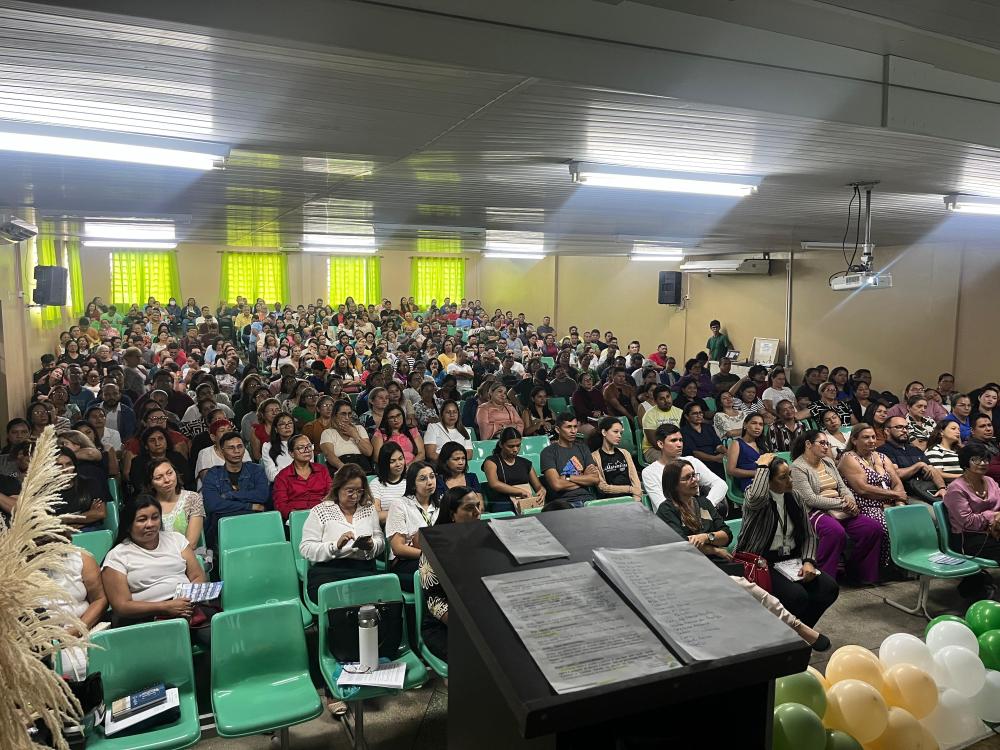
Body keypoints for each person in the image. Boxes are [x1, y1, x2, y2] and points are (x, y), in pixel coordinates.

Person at [656, 459, 830, 651]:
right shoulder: (667, 509)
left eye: (694, 475)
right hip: (697, 569)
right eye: (687, 478)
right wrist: (714, 548)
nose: (695, 480)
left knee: (828, 588)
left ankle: (797, 635)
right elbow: (682, 544)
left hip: (724, 564)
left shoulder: (703, 503)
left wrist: (706, 537)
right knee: (774, 595)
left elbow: (726, 536)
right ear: (673, 484)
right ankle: (798, 632)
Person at [736, 457, 839, 627]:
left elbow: (809, 535)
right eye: (783, 477)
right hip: (763, 561)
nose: (790, 481)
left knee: (828, 588)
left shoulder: (795, 497)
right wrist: (762, 467)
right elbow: (756, 498)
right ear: (767, 480)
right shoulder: (754, 496)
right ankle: (792, 634)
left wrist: (808, 562)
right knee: (796, 597)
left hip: (791, 559)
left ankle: (802, 632)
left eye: (790, 475)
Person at [101, 495, 208, 633]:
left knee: (221, 636)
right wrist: (165, 607)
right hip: (146, 618)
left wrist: (185, 602)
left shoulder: (176, 539)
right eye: (142, 519)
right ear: (128, 524)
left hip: (186, 608)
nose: (150, 524)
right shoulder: (118, 555)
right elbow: (121, 606)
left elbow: (198, 576)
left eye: (155, 517)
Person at [791, 431, 881, 584]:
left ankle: (857, 573)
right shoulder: (798, 467)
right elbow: (810, 499)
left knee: (872, 528)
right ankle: (824, 580)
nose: (826, 447)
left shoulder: (828, 462)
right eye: (822, 443)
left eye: (828, 443)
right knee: (834, 532)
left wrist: (850, 500)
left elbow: (842, 487)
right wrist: (843, 504)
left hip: (839, 508)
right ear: (808, 444)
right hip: (813, 511)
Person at [299, 464, 384, 601]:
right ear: (338, 488)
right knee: (339, 600)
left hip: (363, 569)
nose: (355, 496)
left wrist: (372, 545)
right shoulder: (320, 511)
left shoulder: (368, 509)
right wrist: (335, 545)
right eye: (350, 491)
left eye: (359, 491)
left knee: (379, 597)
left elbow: (380, 540)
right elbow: (306, 549)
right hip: (329, 570)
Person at [418, 487, 484, 661]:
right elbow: (435, 602)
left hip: (480, 616)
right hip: (445, 624)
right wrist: (473, 630)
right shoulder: (433, 549)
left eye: (478, 506)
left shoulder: (484, 540)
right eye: (470, 508)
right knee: (475, 659)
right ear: (452, 514)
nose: (477, 513)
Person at [838, 424, 908, 571]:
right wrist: (895, 495)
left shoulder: (882, 457)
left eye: (873, 437)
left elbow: (896, 482)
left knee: (907, 522)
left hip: (890, 504)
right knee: (886, 526)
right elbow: (862, 489)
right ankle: (885, 568)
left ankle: (904, 566)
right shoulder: (849, 458)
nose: (871, 440)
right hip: (865, 506)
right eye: (866, 437)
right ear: (854, 440)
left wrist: (899, 505)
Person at [943, 444, 1000, 598]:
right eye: (976, 459)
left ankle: (975, 584)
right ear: (965, 463)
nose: (983, 463)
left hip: (992, 531)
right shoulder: (956, 488)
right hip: (967, 538)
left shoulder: (990, 481)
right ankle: (973, 586)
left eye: (986, 459)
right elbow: (967, 522)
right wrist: (993, 516)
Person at [200, 432, 272, 548]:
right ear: (222, 451)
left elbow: (262, 495)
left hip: (254, 524)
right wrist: (250, 506)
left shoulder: (256, 470)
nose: (236, 451)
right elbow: (212, 505)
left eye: (240, 446)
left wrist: (230, 495)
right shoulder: (213, 474)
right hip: (225, 528)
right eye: (231, 448)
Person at [642, 423, 727, 513]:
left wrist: (706, 505)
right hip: (671, 521)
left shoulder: (691, 461)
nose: (679, 444)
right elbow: (662, 505)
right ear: (660, 444)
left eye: (681, 440)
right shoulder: (649, 472)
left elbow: (721, 484)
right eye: (673, 440)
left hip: (699, 516)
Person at [386, 461, 440, 592]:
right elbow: (398, 548)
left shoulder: (440, 505)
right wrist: (430, 556)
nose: (429, 482)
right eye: (423, 479)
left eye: (432, 476)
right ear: (413, 485)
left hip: (436, 559)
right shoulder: (400, 505)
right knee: (437, 573)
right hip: (407, 563)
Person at [877, 416, 946, 501]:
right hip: (906, 495)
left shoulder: (914, 449)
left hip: (926, 490)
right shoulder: (883, 451)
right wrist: (919, 466)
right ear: (887, 431)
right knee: (931, 513)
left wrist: (942, 488)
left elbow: (931, 469)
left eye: (906, 427)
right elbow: (896, 475)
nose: (905, 430)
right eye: (899, 427)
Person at [540, 413, 600, 507]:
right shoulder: (548, 452)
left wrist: (568, 477)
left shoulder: (583, 448)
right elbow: (557, 485)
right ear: (557, 430)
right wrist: (584, 477)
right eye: (568, 427)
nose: (573, 431)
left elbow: (595, 479)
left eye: (575, 427)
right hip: (564, 503)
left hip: (588, 500)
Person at [482, 427, 546, 513]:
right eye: (511, 446)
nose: (515, 449)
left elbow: (538, 486)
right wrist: (520, 491)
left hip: (525, 502)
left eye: (518, 445)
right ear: (501, 444)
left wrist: (542, 491)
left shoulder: (525, 463)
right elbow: (494, 484)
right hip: (503, 503)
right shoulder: (491, 461)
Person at [146, 457, 205, 550]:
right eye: (158, 478)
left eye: (170, 473)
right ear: (151, 484)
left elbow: (191, 543)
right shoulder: (146, 505)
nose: (167, 480)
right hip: (155, 557)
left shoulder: (192, 498)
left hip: (187, 556)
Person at [272, 433, 332, 520]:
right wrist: (297, 516)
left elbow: (331, 494)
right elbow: (281, 505)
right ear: (291, 453)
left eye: (309, 446)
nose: (307, 450)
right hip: (296, 517)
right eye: (301, 448)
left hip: (323, 515)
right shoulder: (282, 476)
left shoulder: (322, 470)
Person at [587, 416, 642, 501]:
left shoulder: (625, 453)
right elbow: (602, 487)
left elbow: (634, 478)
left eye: (621, 433)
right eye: (615, 432)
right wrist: (629, 489)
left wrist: (637, 496)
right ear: (604, 432)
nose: (619, 436)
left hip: (631, 498)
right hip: (610, 500)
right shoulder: (594, 457)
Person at [52, 448, 107, 532]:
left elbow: (100, 513)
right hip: (58, 534)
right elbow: (48, 522)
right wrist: (86, 516)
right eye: (59, 465)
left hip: (88, 530)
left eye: (68, 464)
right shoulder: (45, 491)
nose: (65, 469)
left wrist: (66, 519)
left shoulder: (90, 483)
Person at [320, 399, 374, 472]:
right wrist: (344, 468)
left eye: (349, 414)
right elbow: (329, 455)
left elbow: (368, 452)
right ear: (335, 416)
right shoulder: (328, 433)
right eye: (343, 414)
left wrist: (355, 435)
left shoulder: (359, 429)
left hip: (362, 468)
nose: (347, 418)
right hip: (340, 469)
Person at [680, 402, 725, 478]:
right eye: (695, 413)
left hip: (715, 460)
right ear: (687, 416)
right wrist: (715, 459)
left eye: (700, 413)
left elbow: (717, 445)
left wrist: (726, 452)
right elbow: (695, 453)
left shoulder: (708, 427)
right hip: (697, 463)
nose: (699, 415)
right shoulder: (684, 431)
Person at [727, 413, 766, 492]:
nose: (757, 427)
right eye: (754, 423)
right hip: (748, 482)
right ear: (745, 425)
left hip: (765, 479)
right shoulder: (736, 443)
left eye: (761, 424)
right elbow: (730, 470)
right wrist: (756, 473)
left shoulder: (762, 444)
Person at [369, 442, 407, 523]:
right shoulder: (376, 484)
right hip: (389, 528)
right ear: (384, 464)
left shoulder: (410, 480)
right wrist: (404, 514)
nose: (398, 464)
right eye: (392, 461)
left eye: (400, 459)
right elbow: (376, 515)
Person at [261, 412, 295, 482]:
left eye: (290, 423)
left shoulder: (303, 443)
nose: (287, 426)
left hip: (303, 484)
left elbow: (309, 470)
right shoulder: (268, 447)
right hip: (280, 485)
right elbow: (272, 476)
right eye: (282, 424)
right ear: (276, 429)